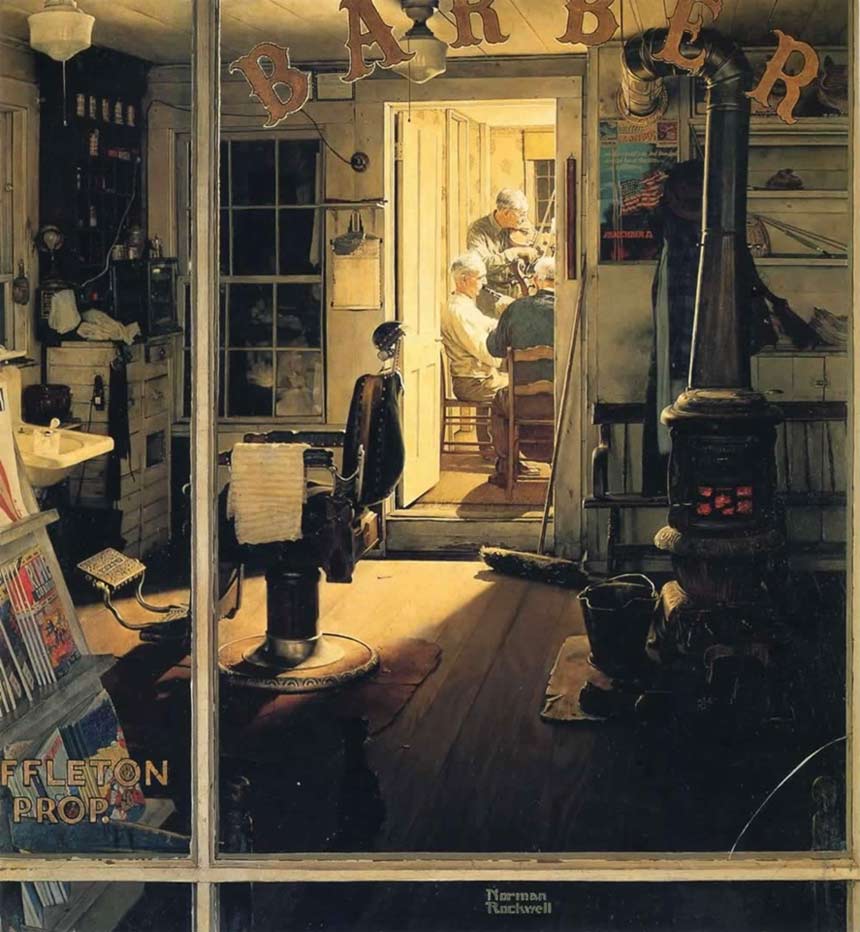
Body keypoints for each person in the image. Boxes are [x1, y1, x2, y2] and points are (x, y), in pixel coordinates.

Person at [485, 255, 556, 487]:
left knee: (498, 402)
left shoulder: (517, 308)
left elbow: (495, 348)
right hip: (561, 402)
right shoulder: (570, 309)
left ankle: (507, 467)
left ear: (535, 280)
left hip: (522, 403)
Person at [441, 253, 507, 451]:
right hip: (472, 383)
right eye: (480, 278)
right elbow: (484, 351)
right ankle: (504, 455)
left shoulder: (464, 305)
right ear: (463, 280)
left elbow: (487, 325)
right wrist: (504, 360)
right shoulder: (459, 311)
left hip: (477, 378)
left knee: (511, 386)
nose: (484, 283)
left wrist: (507, 318)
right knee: (519, 391)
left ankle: (490, 448)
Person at [467, 188, 540, 316]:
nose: (524, 219)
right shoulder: (478, 230)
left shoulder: (522, 226)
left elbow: (535, 247)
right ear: (506, 213)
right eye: (521, 214)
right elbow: (481, 265)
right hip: (492, 299)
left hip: (520, 294)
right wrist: (515, 252)